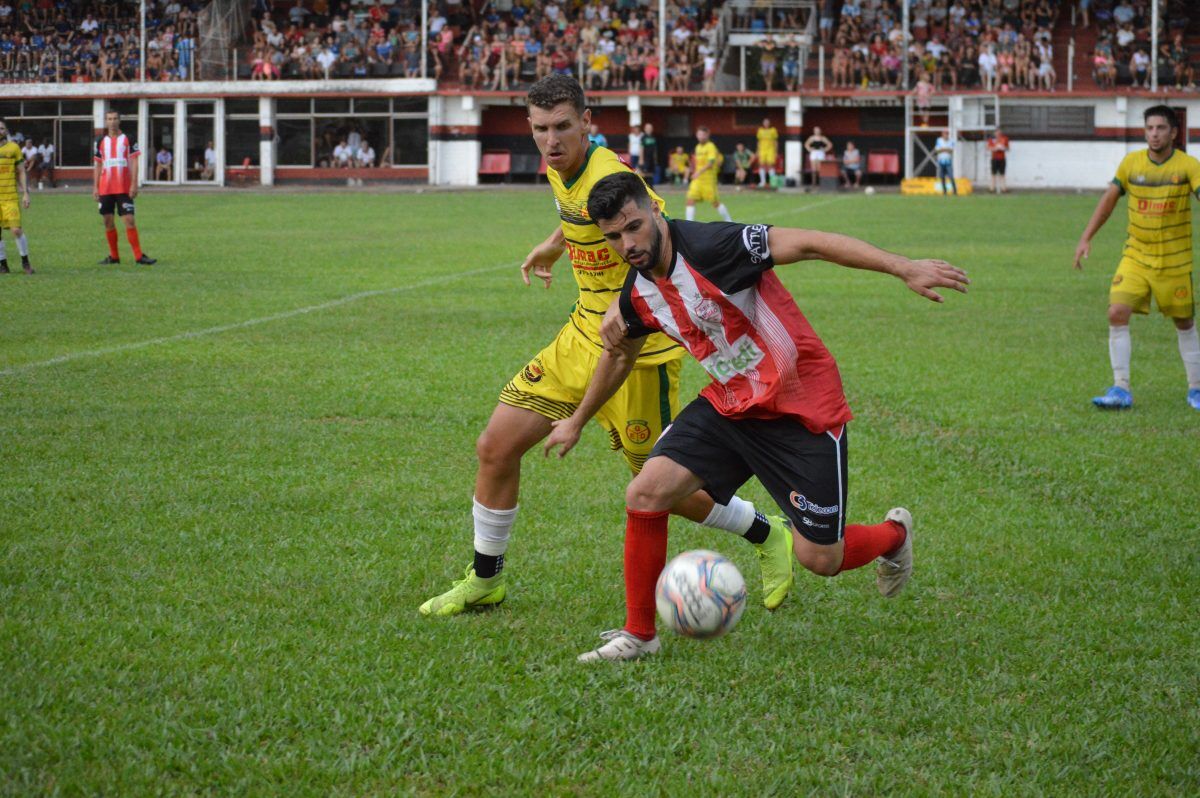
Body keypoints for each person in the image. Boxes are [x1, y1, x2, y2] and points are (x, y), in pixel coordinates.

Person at [543, 171, 970, 661]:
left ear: (655, 211)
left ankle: (894, 536)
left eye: (634, 227)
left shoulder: (713, 246)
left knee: (821, 559)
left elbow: (809, 243)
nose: (627, 244)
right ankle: (640, 634)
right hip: (732, 404)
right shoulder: (637, 294)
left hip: (801, 406)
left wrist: (902, 267)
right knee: (646, 490)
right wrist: (576, 420)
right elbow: (619, 355)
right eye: (613, 237)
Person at [418, 75, 794, 619]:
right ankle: (485, 578)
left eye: (563, 127)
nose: (552, 140)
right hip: (579, 337)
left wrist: (628, 305)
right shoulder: (560, 167)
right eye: (542, 129)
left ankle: (767, 532)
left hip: (637, 349)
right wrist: (552, 247)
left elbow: (661, 236)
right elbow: (578, 215)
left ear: (587, 123)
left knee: (660, 488)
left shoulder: (613, 174)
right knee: (495, 447)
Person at [1073, 105, 1200, 411]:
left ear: (1174, 132)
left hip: (1175, 260)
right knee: (1116, 311)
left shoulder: (1188, 166)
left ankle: (1196, 388)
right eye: (1149, 128)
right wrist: (1086, 237)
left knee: (1184, 322)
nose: (1154, 134)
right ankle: (1120, 388)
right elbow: (1109, 200)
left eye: (1160, 128)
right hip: (1136, 257)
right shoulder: (1131, 164)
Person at [94, 110, 155, 266]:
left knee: (129, 220)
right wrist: (95, 187)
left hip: (123, 187)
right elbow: (98, 164)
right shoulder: (100, 140)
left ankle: (139, 256)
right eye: (109, 119)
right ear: (106, 121)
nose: (112, 121)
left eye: (115, 118)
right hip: (105, 188)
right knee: (108, 221)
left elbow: (134, 161)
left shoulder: (128, 138)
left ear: (119, 121)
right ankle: (114, 257)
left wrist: (134, 183)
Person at [0, 119, 33, 274]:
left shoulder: (13, 148)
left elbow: (21, 171)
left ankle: (25, 261)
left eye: (1, 128)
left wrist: (25, 192)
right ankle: (3, 265)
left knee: (16, 230)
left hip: (10, 196)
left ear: (6, 131)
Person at [685, 126, 731, 222]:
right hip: (698, 180)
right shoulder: (697, 147)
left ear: (707, 135)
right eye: (699, 134)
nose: (701, 137)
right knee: (690, 200)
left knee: (715, 203)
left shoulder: (711, 146)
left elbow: (710, 163)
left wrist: (698, 172)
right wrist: (694, 170)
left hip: (709, 180)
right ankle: (688, 224)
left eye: (703, 135)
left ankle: (730, 221)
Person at [804, 126, 833, 190]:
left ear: (820, 131)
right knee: (814, 169)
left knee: (820, 169)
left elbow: (830, 144)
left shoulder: (823, 138)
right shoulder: (811, 138)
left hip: (820, 153)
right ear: (814, 131)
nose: (817, 131)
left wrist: (825, 149)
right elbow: (806, 144)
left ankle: (820, 183)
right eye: (815, 130)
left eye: (818, 130)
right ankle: (813, 183)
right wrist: (810, 149)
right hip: (814, 153)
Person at [755, 117, 778, 188]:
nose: (766, 123)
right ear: (763, 123)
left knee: (770, 165)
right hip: (762, 150)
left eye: (767, 122)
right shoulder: (760, 130)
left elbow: (776, 141)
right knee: (762, 165)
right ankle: (762, 182)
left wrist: (776, 151)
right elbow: (758, 142)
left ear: (769, 123)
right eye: (765, 122)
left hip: (771, 150)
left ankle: (772, 182)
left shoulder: (773, 130)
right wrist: (757, 151)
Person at [987, 127, 1009, 194]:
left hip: (1002, 158)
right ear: (994, 133)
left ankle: (1003, 188)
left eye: (999, 131)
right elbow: (989, 148)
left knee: (1002, 174)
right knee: (993, 174)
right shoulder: (992, 139)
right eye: (996, 132)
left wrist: (1003, 148)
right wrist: (995, 148)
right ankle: (992, 188)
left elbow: (1007, 148)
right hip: (994, 158)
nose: (998, 133)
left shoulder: (1004, 138)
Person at [934, 129, 956, 195]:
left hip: (948, 161)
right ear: (942, 134)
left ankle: (955, 191)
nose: (946, 135)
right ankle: (944, 191)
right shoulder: (939, 140)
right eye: (944, 133)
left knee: (951, 176)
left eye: (947, 133)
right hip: (941, 161)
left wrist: (943, 149)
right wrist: (945, 149)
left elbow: (951, 150)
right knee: (942, 177)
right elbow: (937, 150)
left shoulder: (951, 141)